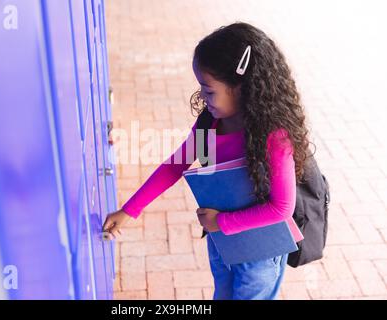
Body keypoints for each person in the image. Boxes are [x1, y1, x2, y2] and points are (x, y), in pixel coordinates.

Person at [103, 22, 310, 300]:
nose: (202, 97)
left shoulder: (274, 137)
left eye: (209, 91)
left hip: (260, 253)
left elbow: (282, 208)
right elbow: (176, 165)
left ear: (241, 87)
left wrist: (222, 222)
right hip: (222, 242)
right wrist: (130, 210)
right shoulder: (210, 124)